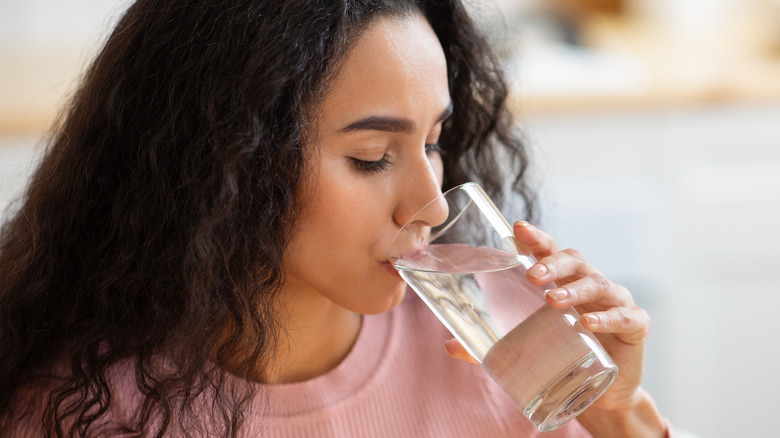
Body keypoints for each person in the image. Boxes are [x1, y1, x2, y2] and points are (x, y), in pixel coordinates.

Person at [0, 0, 672, 436]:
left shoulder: (506, 342)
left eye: (433, 143)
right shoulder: (86, 410)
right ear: (227, 162)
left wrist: (620, 416)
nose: (433, 206)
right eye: (374, 157)